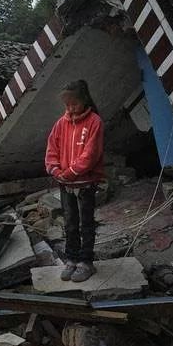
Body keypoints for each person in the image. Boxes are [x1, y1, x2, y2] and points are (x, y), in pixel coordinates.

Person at [44, 80, 105, 283]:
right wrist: (55, 169)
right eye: (67, 105)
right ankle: (71, 259)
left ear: (84, 100)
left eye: (74, 105)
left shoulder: (94, 122)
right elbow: (52, 149)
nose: (70, 109)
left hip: (85, 184)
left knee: (86, 223)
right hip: (66, 185)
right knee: (70, 223)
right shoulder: (61, 123)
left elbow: (91, 154)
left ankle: (86, 262)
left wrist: (70, 172)